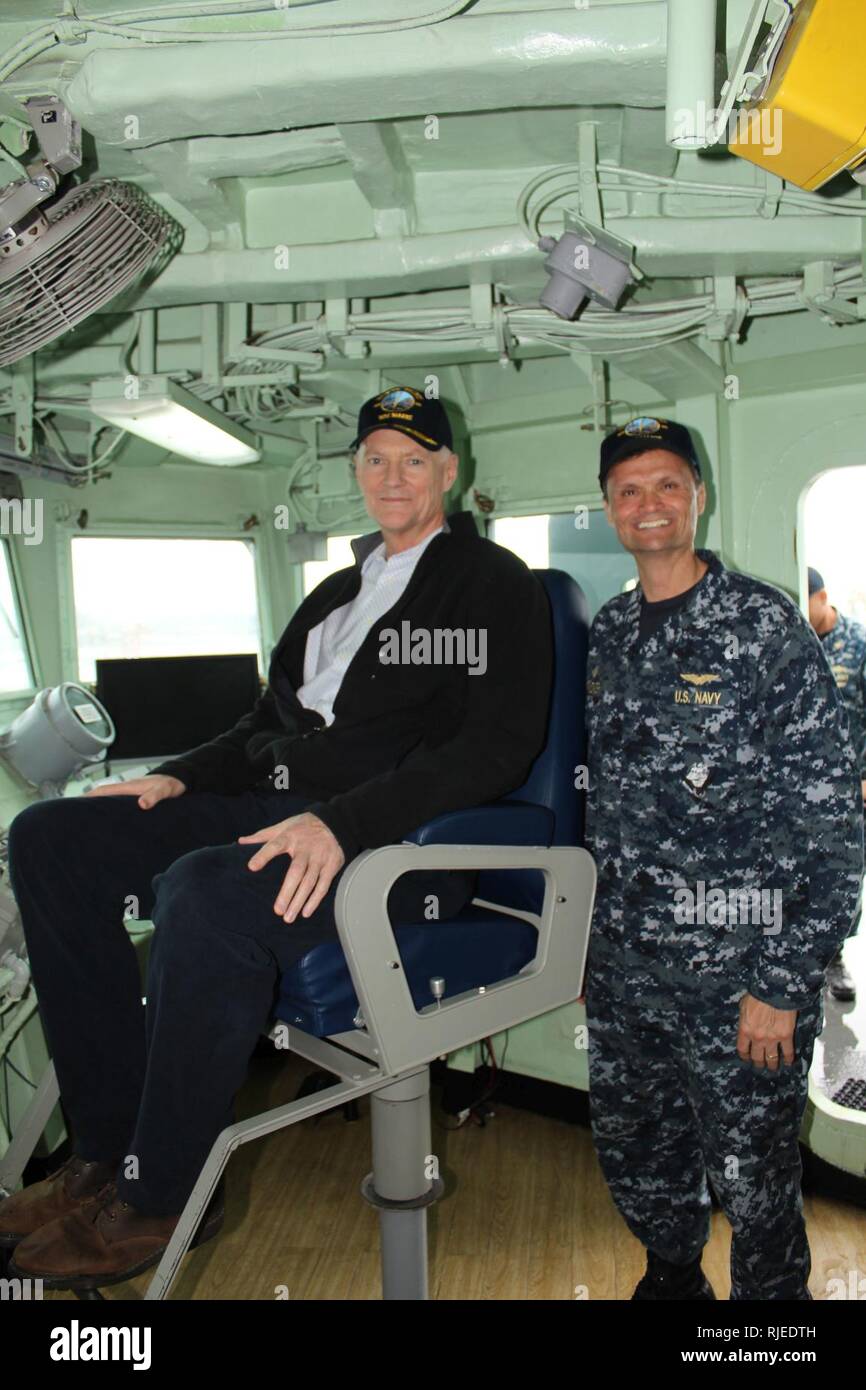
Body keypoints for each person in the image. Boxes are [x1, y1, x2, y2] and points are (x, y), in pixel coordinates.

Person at [0, 385, 552, 1291]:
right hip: (276, 809)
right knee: (51, 838)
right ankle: (104, 1151)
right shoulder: (337, 593)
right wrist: (181, 772)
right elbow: (264, 720)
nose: (392, 476)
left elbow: (495, 750)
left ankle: (165, 1188)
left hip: (394, 844)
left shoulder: (492, 586)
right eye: (375, 459)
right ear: (356, 473)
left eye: (415, 460)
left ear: (451, 472)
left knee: (204, 888)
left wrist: (344, 820)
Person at [583, 416, 864, 1301]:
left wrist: (782, 984)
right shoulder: (611, 631)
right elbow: (609, 811)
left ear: (699, 496)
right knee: (641, 1162)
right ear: (610, 509)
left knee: (754, 1184)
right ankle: (672, 1285)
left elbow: (829, 825)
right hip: (628, 976)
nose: (650, 504)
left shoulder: (761, 623)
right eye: (630, 489)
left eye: (668, 484)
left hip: (739, 979)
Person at [807, 566, 866, 1001]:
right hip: (802, 785)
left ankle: (835, 957)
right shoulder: (795, 645)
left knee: (845, 872)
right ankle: (802, 961)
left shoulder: (859, 646)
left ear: (823, 597)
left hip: (852, 787)